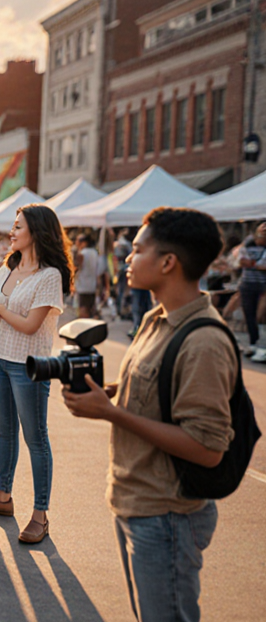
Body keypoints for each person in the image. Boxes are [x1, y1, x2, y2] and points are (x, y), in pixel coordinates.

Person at [62, 207, 234, 622]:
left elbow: (208, 448)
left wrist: (111, 413)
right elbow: (160, 390)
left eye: (138, 250)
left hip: (167, 514)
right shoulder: (155, 318)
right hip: (137, 501)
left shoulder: (205, 341)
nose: (127, 258)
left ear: (168, 262)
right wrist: (112, 392)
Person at [0, 205, 73, 544]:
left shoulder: (50, 276)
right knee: (6, 433)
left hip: (29, 366)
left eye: (18, 227)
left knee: (36, 439)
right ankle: (3, 497)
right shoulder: (8, 267)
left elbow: (30, 325)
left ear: (37, 232)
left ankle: (40, 515)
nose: (11, 233)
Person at [238, 223, 266, 361]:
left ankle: (261, 346)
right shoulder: (247, 243)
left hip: (263, 285)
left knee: (261, 316)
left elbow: (260, 266)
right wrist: (257, 265)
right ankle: (253, 344)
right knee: (249, 315)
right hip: (247, 283)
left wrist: (253, 264)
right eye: (262, 234)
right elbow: (241, 261)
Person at [73, 233, 101, 318]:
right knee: (90, 307)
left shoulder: (82, 254)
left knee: (83, 308)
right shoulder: (94, 252)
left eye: (78, 241)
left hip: (82, 285)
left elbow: (77, 267)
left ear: (84, 243)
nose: (76, 243)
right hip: (92, 285)